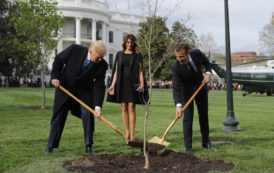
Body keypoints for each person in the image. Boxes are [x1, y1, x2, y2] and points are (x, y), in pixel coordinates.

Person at [45, 41, 108, 155]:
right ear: (91, 51)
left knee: (88, 114)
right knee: (59, 116)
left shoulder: (102, 65)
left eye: (102, 58)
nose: (100, 60)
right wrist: (55, 76)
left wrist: (97, 107)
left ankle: (89, 146)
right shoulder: (75, 50)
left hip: (84, 91)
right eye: (98, 57)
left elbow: (99, 85)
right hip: (65, 87)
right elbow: (59, 60)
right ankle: (50, 146)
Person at [172, 43, 214, 155]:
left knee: (203, 115)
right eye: (177, 57)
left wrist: (208, 73)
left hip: (201, 86)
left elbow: (207, 63)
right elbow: (176, 87)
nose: (179, 59)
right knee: (188, 118)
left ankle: (206, 142)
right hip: (187, 90)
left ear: (187, 53)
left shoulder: (197, 53)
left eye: (181, 56)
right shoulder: (176, 66)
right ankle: (188, 148)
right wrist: (178, 105)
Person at [107, 34, 146, 141]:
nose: (129, 44)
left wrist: (142, 83)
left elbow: (140, 70)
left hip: (133, 83)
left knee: (132, 107)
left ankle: (133, 133)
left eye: (131, 43)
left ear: (133, 44)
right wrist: (112, 85)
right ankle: (127, 131)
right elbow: (115, 71)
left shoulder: (138, 55)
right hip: (121, 83)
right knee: (124, 107)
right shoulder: (119, 54)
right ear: (125, 43)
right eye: (127, 42)